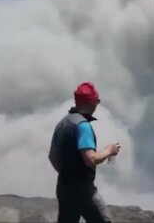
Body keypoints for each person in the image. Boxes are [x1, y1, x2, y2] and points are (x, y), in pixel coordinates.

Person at [48, 82, 121, 223]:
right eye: (97, 100)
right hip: (83, 190)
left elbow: (52, 156)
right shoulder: (83, 126)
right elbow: (90, 159)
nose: (97, 104)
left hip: (63, 187)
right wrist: (109, 150)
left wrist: (66, 174)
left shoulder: (62, 123)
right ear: (91, 102)